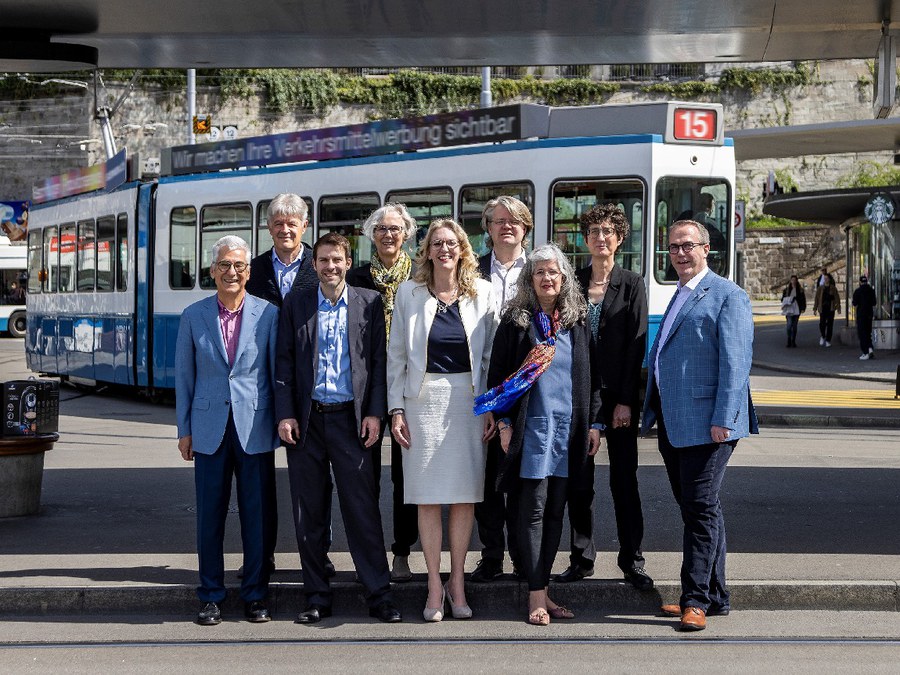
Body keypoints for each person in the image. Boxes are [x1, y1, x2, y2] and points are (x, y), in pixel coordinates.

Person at [274, 232, 402, 625]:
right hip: (307, 422)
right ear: (314, 265)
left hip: (352, 420)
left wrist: (375, 413)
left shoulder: (369, 302)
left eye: (337, 260)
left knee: (362, 512)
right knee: (308, 514)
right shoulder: (296, 303)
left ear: (349, 263)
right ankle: (316, 596)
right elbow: (283, 363)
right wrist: (285, 414)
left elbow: (378, 365)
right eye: (324, 260)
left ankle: (379, 595)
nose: (331, 267)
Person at [641, 219, 758, 632]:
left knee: (700, 509)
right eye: (673, 247)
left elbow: (736, 363)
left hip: (710, 424)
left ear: (707, 249)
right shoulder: (679, 293)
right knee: (699, 508)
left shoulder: (728, 294)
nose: (680, 253)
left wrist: (725, 419)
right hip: (676, 423)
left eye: (688, 245)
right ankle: (716, 595)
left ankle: (694, 600)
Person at [477, 243, 602, 626]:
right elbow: (497, 379)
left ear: (564, 278)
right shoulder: (517, 323)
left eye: (554, 272)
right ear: (530, 281)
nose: (547, 278)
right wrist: (504, 423)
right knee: (530, 511)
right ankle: (535, 594)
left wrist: (595, 423)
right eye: (540, 273)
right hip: (531, 430)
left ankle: (543, 590)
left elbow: (593, 378)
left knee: (554, 514)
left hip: (569, 432)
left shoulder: (577, 323)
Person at [388, 218, 497, 622]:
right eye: (438, 243)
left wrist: (491, 407)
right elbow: (396, 355)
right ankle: (434, 584)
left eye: (452, 243)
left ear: (463, 249)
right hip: (421, 401)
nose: (445, 249)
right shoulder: (409, 294)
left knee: (465, 496)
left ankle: (457, 583)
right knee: (428, 496)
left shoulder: (483, 292)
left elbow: (489, 359)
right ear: (428, 250)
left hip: (468, 401)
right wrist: (396, 408)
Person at [175, 235, 280, 626]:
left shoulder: (268, 314)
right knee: (210, 517)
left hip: (254, 427)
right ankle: (210, 596)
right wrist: (183, 429)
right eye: (224, 265)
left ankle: (255, 595)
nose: (231, 272)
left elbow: (274, 375)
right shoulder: (193, 315)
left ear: (248, 272)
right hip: (208, 428)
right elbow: (185, 378)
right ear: (212, 271)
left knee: (257, 516)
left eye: (238, 265)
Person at [559, 203, 652, 590]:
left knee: (623, 480)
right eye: (594, 231)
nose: (600, 237)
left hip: (619, 397)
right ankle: (582, 557)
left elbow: (637, 344)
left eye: (608, 231)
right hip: (579, 394)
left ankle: (633, 559)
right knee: (579, 482)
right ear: (586, 239)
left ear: (619, 238)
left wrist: (627, 400)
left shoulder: (631, 284)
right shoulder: (573, 283)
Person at [245, 192, 331, 578]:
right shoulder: (252, 269)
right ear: (269, 227)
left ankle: (319, 555)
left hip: (313, 388)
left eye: (292, 223)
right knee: (259, 478)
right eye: (278, 223)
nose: (285, 229)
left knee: (316, 483)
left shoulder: (323, 265)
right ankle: (260, 558)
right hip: (262, 385)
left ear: (304, 227)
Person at [346, 202, 418, 582]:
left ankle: (402, 553)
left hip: (409, 384)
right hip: (367, 386)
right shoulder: (356, 277)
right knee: (365, 475)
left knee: (406, 476)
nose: (388, 235)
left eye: (395, 229)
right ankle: (370, 554)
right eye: (381, 229)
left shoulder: (420, 277)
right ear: (371, 235)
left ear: (406, 234)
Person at [471, 195, 532, 584]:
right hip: (485, 385)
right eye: (498, 221)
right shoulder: (470, 270)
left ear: (525, 227)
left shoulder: (544, 267)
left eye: (514, 220)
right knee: (488, 477)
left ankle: (526, 558)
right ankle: (492, 554)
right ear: (488, 228)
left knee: (527, 478)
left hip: (530, 387)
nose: (506, 226)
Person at [852, 275, 877, 360]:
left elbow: (854, 303)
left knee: (862, 334)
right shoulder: (871, 291)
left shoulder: (857, 291)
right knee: (868, 332)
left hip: (861, 315)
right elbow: (874, 302)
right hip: (869, 314)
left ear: (860, 282)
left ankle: (865, 352)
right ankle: (870, 348)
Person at [813, 273, 841, 347]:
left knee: (830, 324)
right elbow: (817, 299)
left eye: (827, 278)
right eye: (824, 278)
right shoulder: (820, 288)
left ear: (829, 279)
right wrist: (815, 308)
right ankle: (823, 336)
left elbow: (837, 298)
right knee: (822, 323)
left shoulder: (833, 288)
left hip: (830, 308)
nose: (826, 280)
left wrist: (838, 307)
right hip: (822, 308)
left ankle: (828, 340)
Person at [780, 275, 806, 348]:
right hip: (788, 309)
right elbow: (782, 299)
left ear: (796, 281)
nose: (793, 281)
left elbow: (803, 300)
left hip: (797, 309)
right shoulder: (787, 290)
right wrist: (786, 301)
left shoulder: (800, 290)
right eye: (792, 280)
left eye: (795, 280)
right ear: (790, 281)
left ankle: (793, 341)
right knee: (789, 325)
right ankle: (789, 339)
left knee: (794, 326)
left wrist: (803, 308)